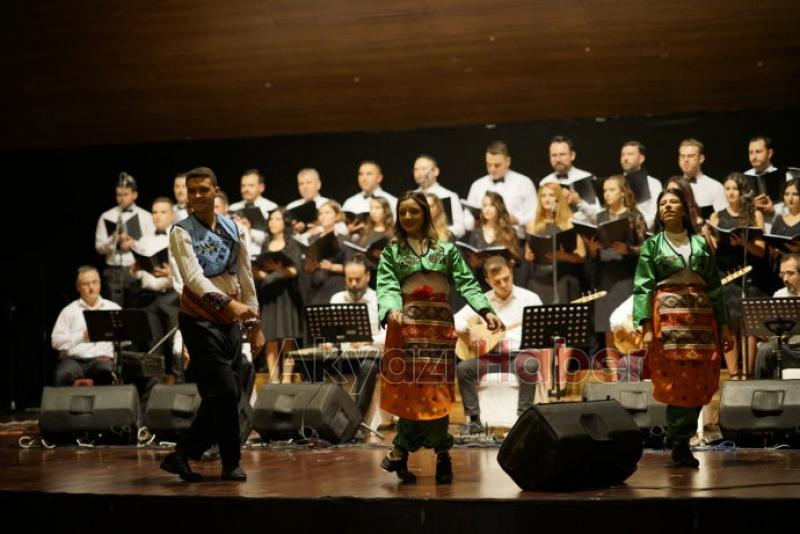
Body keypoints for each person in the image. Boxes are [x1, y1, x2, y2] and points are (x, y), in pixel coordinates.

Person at [377, 191, 501, 484]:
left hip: (437, 330)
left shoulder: (446, 251)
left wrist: (486, 310)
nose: (408, 217)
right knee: (411, 395)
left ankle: (434, 455)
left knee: (437, 395)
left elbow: (467, 283)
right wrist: (391, 309)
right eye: (403, 212)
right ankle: (403, 452)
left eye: (413, 212)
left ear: (425, 214)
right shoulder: (392, 252)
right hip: (406, 329)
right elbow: (387, 286)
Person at [160, 166, 264, 483]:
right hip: (199, 320)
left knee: (219, 397)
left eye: (203, 190)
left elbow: (245, 276)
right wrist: (229, 303)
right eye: (192, 191)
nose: (197, 196)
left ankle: (181, 455)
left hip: (229, 321)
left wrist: (255, 322)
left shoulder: (233, 229)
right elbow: (193, 279)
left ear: (216, 191)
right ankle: (231, 463)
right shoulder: (181, 231)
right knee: (227, 391)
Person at [633, 188, 734, 468]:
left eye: (673, 201)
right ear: (659, 211)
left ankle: (682, 436)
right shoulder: (652, 245)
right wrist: (645, 327)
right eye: (663, 202)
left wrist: (724, 328)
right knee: (676, 381)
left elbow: (714, 287)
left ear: (683, 208)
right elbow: (642, 287)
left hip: (701, 318)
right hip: (668, 317)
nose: (668, 206)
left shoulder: (700, 243)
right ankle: (679, 441)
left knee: (700, 379)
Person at [454, 256, 542, 432]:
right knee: (464, 368)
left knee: (530, 365)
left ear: (511, 273)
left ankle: (522, 420)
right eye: (497, 282)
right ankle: (475, 421)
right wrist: (470, 331)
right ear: (487, 281)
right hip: (491, 357)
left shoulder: (530, 299)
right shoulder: (482, 301)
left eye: (506, 279)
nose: (503, 285)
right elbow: (456, 319)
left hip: (518, 356)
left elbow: (541, 332)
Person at [706, 173, 767, 377]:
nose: (730, 192)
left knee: (748, 325)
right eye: (728, 188)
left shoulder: (753, 214)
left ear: (743, 192)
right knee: (728, 325)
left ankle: (747, 371)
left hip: (747, 274)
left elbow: (760, 250)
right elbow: (713, 251)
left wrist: (743, 243)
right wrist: (707, 236)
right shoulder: (717, 216)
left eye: (734, 189)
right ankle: (733, 373)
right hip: (725, 276)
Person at [131, 197, 181, 380]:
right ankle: (155, 390)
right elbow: (139, 272)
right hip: (149, 298)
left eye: (163, 212)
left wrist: (170, 273)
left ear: (172, 214)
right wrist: (136, 270)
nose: (158, 216)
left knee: (175, 344)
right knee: (154, 345)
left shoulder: (178, 236)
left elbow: (187, 270)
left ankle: (181, 387)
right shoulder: (144, 240)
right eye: (154, 212)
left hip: (171, 296)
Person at [330, 253, 385, 416]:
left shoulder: (379, 300)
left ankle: (356, 418)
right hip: (342, 356)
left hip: (372, 357)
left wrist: (369, 340)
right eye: (349, 279)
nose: (353, 284)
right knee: (313, 366)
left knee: (368, 366)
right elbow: (331, 332)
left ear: (368, 276)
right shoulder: (337, 299)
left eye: (358, 279)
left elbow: (389, 335)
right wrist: (329, 342)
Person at [253, 208, 303, 382]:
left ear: (285, 222)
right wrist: (258, 273)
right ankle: (274, 379)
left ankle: (287, 378)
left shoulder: (292, 244)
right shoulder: (266, 243)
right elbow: (261, 270)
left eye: (277, 219)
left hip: (286, 295)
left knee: (287, 338)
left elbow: (295, 270)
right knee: (271, 339)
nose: (273, 222)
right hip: (268, 295)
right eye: (271, 219)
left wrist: (280, 270)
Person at [51, 266, 120, 387]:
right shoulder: (69, 311)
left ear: (100, 283)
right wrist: (82, 336)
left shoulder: (113, 308)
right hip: (73, 360)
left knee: (107, 372)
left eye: (94, 282)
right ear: (78, 287)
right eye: (86, 284)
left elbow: (126, 341)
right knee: (62, 374)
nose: (91, 288)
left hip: (102, 359)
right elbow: (56, 342)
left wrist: (114, 334)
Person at [94, 173, 155, 306]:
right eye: (118, 195)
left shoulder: (146, 216)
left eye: (125, 194)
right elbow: (99, 248)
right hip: (113, 271)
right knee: (113, 310)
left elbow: (152, 246)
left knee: (134, 310)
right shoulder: (107, 216)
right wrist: (114, 238)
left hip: (135, 269)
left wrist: (133, 243)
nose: (121, 199)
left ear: (134, 195)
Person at [465, 141, 537, 238]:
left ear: (508, 161)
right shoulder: (477, 185)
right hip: (484, 241)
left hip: (516, 240)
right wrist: (475, 221)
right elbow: (467, 217)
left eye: (497, 165)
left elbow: (535, 214)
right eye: (489, 165)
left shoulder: (524, 183)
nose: (492, 169)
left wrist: (518, 220)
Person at [754, 253, 800, 378]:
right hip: (788, 350)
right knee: (765, 350)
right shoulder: (780, 295)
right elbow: (776, 332)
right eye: (782, 274)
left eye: (790, 273)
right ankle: (761, 393)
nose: (785, 279)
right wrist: (766, 334)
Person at [540, 135, 599, 223]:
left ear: (572, 155)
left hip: (585, 232)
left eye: (562, 155)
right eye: (554, 155)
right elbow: (540, 215)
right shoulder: (545, 182)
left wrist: (579, 202)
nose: (558, 159)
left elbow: (598, 216)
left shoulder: (587, 178)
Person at [229, 169, 279, 258]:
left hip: (262, 256)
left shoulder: (271, 208)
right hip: (237, 258)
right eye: (243, 186)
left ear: (261, 187)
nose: (246, 189)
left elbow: (274, 237)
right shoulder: (233, 208)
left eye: (251, 185)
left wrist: (249, 230)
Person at [413, 154, 466, 238]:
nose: (419, 173)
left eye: (423, 169)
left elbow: (460, 228)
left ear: (436, 171)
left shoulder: (449, 195)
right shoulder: (411, 197)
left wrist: (439, 233)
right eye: (416, 170)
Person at [745, 135, 793, 223]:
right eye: (751, 152)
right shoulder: (743, 177)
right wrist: (750, 206)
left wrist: (774, 211)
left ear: (769, 153)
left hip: (777, 229)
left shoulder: (786, 177)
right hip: (753, 229)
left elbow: (796, 210)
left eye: (758, 152)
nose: (754, 157)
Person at [619, 140, 663, 229]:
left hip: (644, 232)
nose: (625, 158)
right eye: (623, 155)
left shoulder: (653, 183)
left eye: (630, 154)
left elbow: (656, 212)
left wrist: (638, 225)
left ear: (641, 158)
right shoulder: (615, 183)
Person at [678, 138, 726, 214]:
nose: (685, 160)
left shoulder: (715, 187)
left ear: (701, 158)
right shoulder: (673, 186)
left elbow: (723, 220)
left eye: (690, 156)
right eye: (682, 156)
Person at [285, 168, 331, 233]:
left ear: (318, 184)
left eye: (308, 182)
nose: (305, 187)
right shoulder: (291, 206)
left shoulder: (329, 204)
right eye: (301, 184)